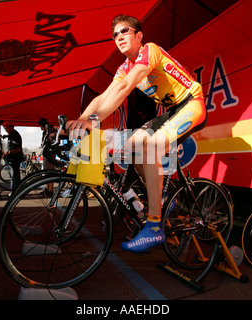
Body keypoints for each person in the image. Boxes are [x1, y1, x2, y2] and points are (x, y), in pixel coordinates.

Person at [66, 15, 207, 253]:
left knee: (150, 147)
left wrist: (93, 120)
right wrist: (82, 119)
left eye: (124, 31)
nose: (119, 37)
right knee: (129, 147)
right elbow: (103, 96)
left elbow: (124, 88)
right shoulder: (124, 67)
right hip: (172, 111)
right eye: (114, 35)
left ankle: (153, 225)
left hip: (192, 103)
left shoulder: (149, 50)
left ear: (138, 35)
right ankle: (162, 198)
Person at [3, 121, 24, 192]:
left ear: (11, 127)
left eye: (6, 128)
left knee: (14, 175)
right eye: (5, 129)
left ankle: (15, 190)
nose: (6, 130)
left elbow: (18, 149)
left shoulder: (15, 135)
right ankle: (15, 190)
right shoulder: (11, 135)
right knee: (13, 175)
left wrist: (9, 152)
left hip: (15, 158)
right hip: (12, 158)